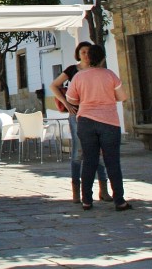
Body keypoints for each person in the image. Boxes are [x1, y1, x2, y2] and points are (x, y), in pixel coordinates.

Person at [66, 43, 131, 211]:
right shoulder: (110, 75)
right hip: (109, 122)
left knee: (89, 160)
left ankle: (87, 200)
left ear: (88, 58)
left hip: (86, 121)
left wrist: (86, 99)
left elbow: (71, 99)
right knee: (112, 162)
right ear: (102, 58)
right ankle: (119, 201)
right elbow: (122, 96)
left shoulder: (78, 77)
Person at [50, 41, 111, 204]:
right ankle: (76, 190)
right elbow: (54, 85)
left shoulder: (97, 70)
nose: (85, 54)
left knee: (98, 152)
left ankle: (103, 189)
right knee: (78, 151)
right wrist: (66, 103)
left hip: (96, 114)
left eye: (88, 51)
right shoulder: (72, 70)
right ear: (78, 54)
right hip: (77, 114)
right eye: (82, 52)